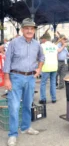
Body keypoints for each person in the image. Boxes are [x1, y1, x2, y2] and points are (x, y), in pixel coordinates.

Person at [3, 18, 45, 146]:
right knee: (14, 107)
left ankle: (26, 127)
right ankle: (12, 134)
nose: (29, 30)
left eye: (31, 29)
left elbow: (42, 57)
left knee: (27, 104)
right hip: (16, 77)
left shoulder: (37, 44)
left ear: (34, 30)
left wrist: (39, 69)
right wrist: (6, 79)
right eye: (26, 28)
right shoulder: (14, 43)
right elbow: (8, 61)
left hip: (30, 78)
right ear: (22, 30)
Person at [39, 32, 58, 104]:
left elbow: (40, 57)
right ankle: (54, 99)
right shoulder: (55, 46)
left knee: (43, 83)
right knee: (53, 83)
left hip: (46, 66)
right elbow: (56, 56)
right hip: (54, 66)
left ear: (44, 39)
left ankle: (43, 99)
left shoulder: (42, 46)